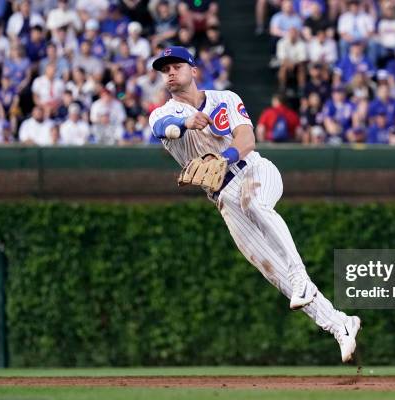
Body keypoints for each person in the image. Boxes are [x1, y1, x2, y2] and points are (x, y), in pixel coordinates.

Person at [148, 46, 361, 362]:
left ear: (193, 70)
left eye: (176, 66)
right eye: (165, 69)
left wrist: (225, 156)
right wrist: (185, 123)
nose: (170, 73)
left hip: (255, 171)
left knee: (256, 205)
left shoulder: (226, 99)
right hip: (223, 198)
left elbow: (247, 141)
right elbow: (160, 127)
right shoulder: (164, 112)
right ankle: (340, 325)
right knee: (274, 272)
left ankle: (301, 275)